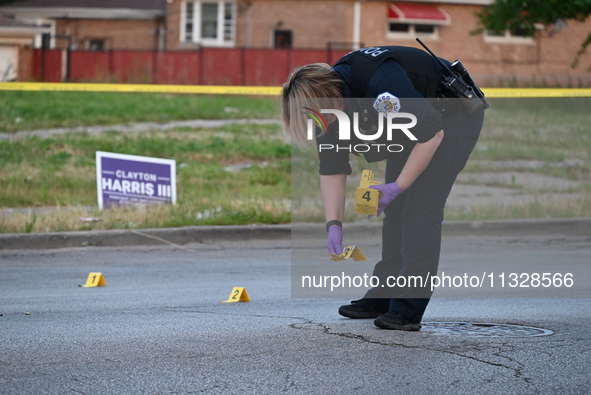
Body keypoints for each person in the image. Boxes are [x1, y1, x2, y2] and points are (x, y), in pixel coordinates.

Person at [281, 45, 485, 331]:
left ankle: (407, 309)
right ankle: (383, 296)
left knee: (420, 212)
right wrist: (334, 225)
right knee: (396, 212)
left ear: (330, 99)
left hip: (451, 117)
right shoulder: (328, 110)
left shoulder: (379, 82)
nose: (319, 124)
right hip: (411, 124)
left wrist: (398, 186)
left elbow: (432, 131)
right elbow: (332, 167)